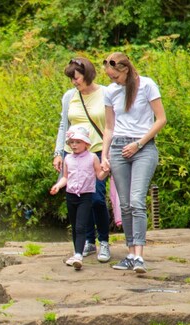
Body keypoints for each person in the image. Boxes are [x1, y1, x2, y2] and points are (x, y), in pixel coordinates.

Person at [101, 52, 167, 274]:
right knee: (125, 204)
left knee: (137, 200)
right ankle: (130, 254)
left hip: (143, 148)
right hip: (118, 149)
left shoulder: (147, 85)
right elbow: (109, 127)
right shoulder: (111, 91)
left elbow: (161, 119)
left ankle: (139, 256)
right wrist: (104, 156)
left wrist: (138, 144)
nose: (113, 81)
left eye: (115, 76)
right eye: (110, 77)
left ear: (126, 70)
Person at [53, 57, 113, 263]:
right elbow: (64, 125)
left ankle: (103, 241)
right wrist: (58, 153)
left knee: (96, 198)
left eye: (76, 78)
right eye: (71, 78)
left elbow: (112, 124)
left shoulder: (106, 93)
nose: (73, 82)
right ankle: (89, 241)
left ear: (87, 75)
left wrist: (108, 154)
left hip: (97, 151)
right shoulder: (69, 96)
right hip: (72, 154)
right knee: (78, 197)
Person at [50, 125, 109, 270]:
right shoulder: (68, 158)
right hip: (71, 195)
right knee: (75, 226)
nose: (74, 145)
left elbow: (99, 175)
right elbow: (66, 177)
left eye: (78, 142)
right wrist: (58, 186)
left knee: (81, 225)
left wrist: (107, 170)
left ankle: (78, 256)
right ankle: (77, 252)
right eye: (72, 142)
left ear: (86, 143)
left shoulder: (92, 157)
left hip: (85, 195)